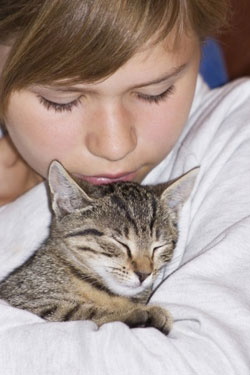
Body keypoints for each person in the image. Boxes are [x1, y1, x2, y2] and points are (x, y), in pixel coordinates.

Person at [0, 1, 250, 374]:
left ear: (200, 46)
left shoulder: (234, 132)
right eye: (61, 100)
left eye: (156, 92)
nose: (116, 147)